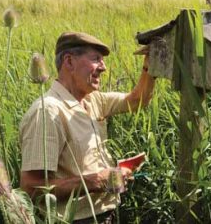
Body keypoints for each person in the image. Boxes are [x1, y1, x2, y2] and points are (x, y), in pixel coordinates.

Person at [19, 32, 155, 223]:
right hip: (76, 220)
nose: (103, 67)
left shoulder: (92, 99)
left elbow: (137, 101)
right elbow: (31, 188)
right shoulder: (47, 112)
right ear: (69, 62)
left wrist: (150, 63)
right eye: (96, 59)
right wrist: (96, 180)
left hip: (106, 214)